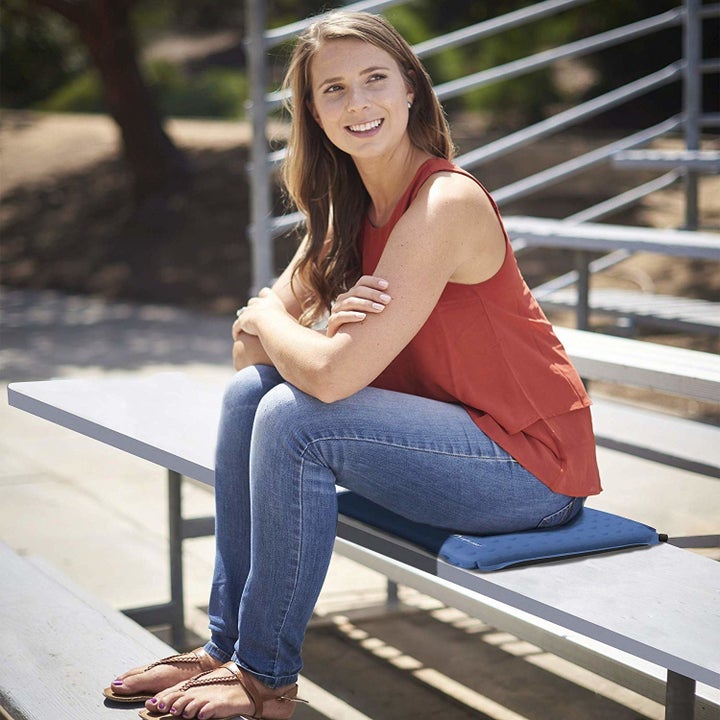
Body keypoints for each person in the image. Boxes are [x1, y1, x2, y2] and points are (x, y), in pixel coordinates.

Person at [104, 10, 601, 720]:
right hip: (453, 440)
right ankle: (225, 649)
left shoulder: (444, 202)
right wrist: (308, 335)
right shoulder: (348, 212)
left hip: (528, 465)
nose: (357, 102)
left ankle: (264, 679)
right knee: (254, 399)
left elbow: (311, 363)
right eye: (333, 89)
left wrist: (289, 325)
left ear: (412, 93)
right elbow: (246, 353)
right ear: (312, 110)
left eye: (375, 79)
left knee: (294, 418)